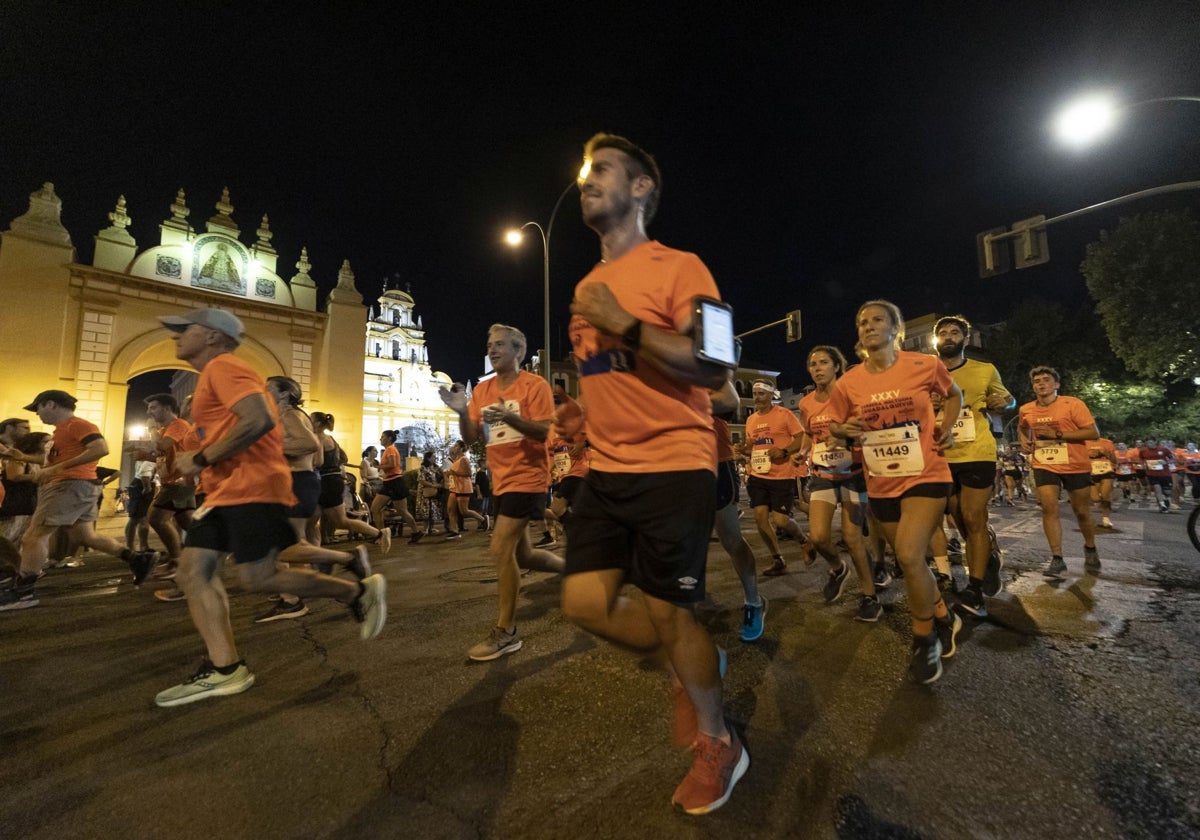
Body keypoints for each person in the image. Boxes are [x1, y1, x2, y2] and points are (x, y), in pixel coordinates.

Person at [553, 133, 746, 814]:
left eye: (601, 170)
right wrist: (575, 416)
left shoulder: (682, 266)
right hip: (605, 470)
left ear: (641, 189)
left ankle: (721, 741)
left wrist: (626, 323)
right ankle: (694, 665)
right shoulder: (581, 286)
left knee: (671, 610)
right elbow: (607, 381)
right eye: (583, 174)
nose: (586, 182)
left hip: (674, 464)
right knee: (583, 605)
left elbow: (715, 368)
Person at [151, 307, 387, 707]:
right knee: (199, 573)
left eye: (184, 328)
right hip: (228, 490)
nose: (175, 335)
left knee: (256, 576)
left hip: (251, 487)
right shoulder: (214, 374)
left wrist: (204, 458)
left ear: (211, 336)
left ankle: (352, 591)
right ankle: (226, 668)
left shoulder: (224, 367)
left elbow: (259, 419)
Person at [825, 300, 964, 684]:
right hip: (881, 479)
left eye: (877, 320)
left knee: (907, 554)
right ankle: (943, 614)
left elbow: (954, 395)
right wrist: (843, 430)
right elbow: (834, 424)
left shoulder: (924, 365)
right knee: (912, 562)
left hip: (927, 472)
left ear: (895, 328)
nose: (868, 326)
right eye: (862, 322)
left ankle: (924, 639)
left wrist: (946, 426)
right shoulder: (849, 381)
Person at [438, 323, 564, 660]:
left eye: (500, 345)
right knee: (522, 556)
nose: (492, 350)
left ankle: (507, 631)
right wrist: (463, 411)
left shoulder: (533, 386)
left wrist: (512, 419)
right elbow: (473, 437)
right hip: (502, 480)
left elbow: (543, 432)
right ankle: (575, 569)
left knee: (499, 549)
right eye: (489, 344)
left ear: (518, 352)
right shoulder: (483, 389)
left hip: (529, 476)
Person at [0, 391, 157, 610]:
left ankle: (23, 593)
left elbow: (100, 449)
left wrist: (58, 468)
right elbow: (55, 459)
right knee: (84, 536)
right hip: (79, 486)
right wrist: (24, 457)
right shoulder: (63, 431)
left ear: (51, 404)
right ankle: (136, 559)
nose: (37, 415)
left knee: (34, 536)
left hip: (68, 486)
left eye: (38, 408)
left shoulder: (76, 425)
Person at [255, 377, 372, 623]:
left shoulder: (290, 416)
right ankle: (295, 596)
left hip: (298, 484)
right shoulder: (293, 417)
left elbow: (308, 444)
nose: (264, 392)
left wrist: (270, 445)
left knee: (286, 548)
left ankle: (346, 563)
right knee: (290, 548)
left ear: (285, 394)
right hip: (299, 482)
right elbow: (314, 456)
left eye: (269, 389)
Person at [931, 315, 1015, 619]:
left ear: (966, 340)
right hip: (941, 455)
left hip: (977, 451)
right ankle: (988, 557)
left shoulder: (984, 370)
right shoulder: (926, 373)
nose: (949, 336)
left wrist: (1004, 404)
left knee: (972, 515)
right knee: (957, 517)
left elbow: (1007, 399)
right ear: (937, 341)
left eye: (955, 332)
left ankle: (975, 590)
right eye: (943, 333)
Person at [797, 345, 880, 621]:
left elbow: (868, 429)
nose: (817, 368)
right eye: (812, 363)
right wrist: (802, 450)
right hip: (823, 475)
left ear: (836, 366)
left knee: (853, 538)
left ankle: (870, 597)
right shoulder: (806, 402)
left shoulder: (850, 395)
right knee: (819, 537)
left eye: (823, 362)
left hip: (853, 474)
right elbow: (809, 433)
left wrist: (846, 438)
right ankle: (838, 568)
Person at [1017, 365, 1101, 578]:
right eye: (1037, 381)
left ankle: (1090, 547)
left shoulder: (1072, 404)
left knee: (1081, 511)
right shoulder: (1026, 409)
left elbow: (1093, 432)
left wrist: (1057, 434)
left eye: (1046, 380)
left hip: (1075, 464)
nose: (1041, 384)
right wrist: (1023, 440)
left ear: (1056, 384)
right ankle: (1057, 558)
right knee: (1048, 507)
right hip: (1045, 463)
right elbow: (1022, 427)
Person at [710, 382, 768, 640]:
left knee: (731, 540)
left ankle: (754, 601)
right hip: (674, 468)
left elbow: (730, 399)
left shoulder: (701, 362)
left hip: (716, 466)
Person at [742, 379, 815, 577]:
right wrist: (743, 449)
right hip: (758, 475)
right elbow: (752, 445)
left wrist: (784, 451)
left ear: (771, 394)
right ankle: (778, 559)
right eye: (755, 393)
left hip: (782, 475)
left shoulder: (784, 414)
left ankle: (804, 541)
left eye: (761, 393)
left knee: (782, 521)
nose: (757, 397)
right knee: (760, 519)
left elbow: (801, 438)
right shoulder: (751, 420)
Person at [138, 393, 197, 575]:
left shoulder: (178, 425)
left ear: (167, 408)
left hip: (179, 481)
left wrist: (152, 430)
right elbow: (162, 454)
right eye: (148, 408)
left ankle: (177, 562)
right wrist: (145, 456)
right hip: (174, 481)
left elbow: (162, 446)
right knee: (189, 523)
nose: (149, 412)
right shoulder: (167, 429)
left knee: (156, 518)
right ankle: (219, 546)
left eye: (153, 407)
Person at [368, 429, 421, 547]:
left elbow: (392, 464)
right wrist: (379, 467)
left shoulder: (391, 449)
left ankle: (415, 532)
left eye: (382, 436)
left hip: (395, 482)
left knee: (402, 511)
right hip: (389, 482)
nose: (380, 438)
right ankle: (381, 535)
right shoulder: (389, 449)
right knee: (375, 508)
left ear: (389, 438)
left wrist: (378, 466)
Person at [444, 439, 487, 537]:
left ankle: (483, 519)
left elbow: (468, 473)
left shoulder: (464, 459)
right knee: (450, 509)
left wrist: (454, 473)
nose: (454, 448)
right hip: (454, 487)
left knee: (464, 511)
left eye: (456, 446)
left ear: (461, 448)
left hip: (463, 487)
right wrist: (449, 474)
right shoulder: (456, 459)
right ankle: (454, 531)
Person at [1138, 437, 1176, 514]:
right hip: (1152, 473)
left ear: (1155, 442)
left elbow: (1173, 459)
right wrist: (1143, 464)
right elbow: (1141, 459)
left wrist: (1166, 462)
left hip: (1165, 474)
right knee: (1157, 488)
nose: (1149, 444)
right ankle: (1162, 505)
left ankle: (1165, 499)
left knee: (1167, 492)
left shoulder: (1163, 449)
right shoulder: (1143, 451)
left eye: (1151, 443)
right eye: (1147, 443)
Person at [1088, 436, 1118, 530]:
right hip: (1092, 471)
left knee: (1106, 495)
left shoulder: (1107, 442)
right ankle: (1104, 502)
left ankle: (1106, 519)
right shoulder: (1084, 442)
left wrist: (1105, 453)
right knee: (1095, 498)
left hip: (1107, 470)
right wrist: (1088, 455)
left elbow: (1114, 460)